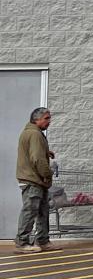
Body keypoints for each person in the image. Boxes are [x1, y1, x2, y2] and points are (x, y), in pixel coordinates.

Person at [15, 107, 56, 253]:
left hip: (35, 179)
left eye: (49, 118)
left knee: (42, 211)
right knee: (30, 211)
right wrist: (47, 174)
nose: (49, 121)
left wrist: (46, 152)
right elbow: (37, 159)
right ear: (36, 119)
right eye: (46, 118)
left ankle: (43, 241)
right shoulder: (34, 134)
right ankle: (22, 243)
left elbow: (35, 152)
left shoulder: (34, 133)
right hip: (33, 179)